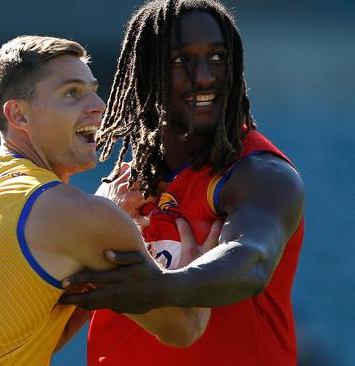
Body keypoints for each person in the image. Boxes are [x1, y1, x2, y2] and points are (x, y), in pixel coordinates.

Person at [0, 35, 211, 365]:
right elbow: (184, 328)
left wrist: (96, 237)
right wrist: (201, 265)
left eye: (93, 89)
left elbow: (19, 338)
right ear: (19, 116)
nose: (99, 105)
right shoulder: (76, 216)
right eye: (72, 93)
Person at [58, 1, 306, 365]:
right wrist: (94, 223)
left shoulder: (260, 174)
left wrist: (161, 287)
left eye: (218, 58)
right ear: (145, 73)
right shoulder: (124, 188)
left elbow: (252, 259)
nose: (204, 76)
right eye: (180, 61)